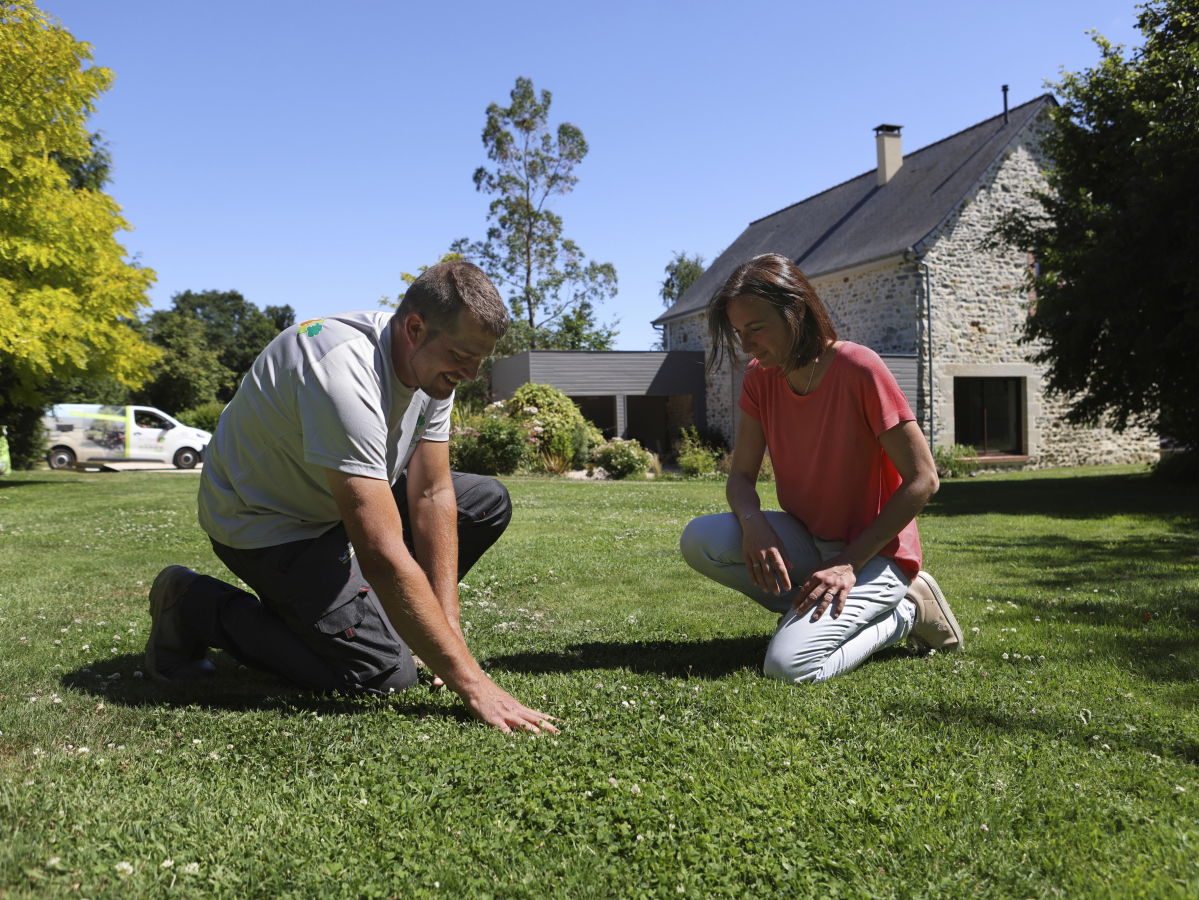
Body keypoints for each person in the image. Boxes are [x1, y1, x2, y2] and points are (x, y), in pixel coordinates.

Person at [145, 261, 556, 734]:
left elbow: (434, 492)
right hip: (267, 525)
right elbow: (379, 552)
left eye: (480, 359)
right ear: (416, 329)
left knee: (484, 501)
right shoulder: (342, 371)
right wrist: (472, 682)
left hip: (334, 501)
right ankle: (192, 603)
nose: (471, 372)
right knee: (383, 675)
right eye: (464, 354)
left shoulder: (433, 370)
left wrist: (447, 625)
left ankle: (367, 615)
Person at [679, 254, 963, 684]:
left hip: (876, 555)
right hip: (808, 541)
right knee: (698, 539)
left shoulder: (859, 367)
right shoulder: (761, 378)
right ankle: (815, 614)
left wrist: (849, 562)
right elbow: (740, 478)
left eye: (755, 328)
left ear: (796, 312)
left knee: (789, 667)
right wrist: (753, 522)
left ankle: (906, 609)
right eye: (739, 332)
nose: (746, 345)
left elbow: (924, 479)